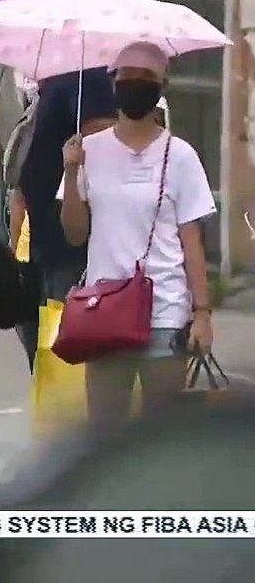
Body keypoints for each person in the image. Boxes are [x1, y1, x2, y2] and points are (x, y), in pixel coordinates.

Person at [58, 42, 215, 428]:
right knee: (104, 437)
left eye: (146, 80)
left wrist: (202, 313)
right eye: (127, 78)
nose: (135, 86)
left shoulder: (180, 155)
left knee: (164, 438)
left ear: (162, 86)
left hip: (165, 313)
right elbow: (75, 234)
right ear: (113, 83)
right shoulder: (88, 151)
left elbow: (191, 240)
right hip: (104, 311)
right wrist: (69, 172)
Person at [4, 0, 119, 372]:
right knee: (35, 343)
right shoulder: (47, 76)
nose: (32, 9)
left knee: (62, 358)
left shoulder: (90, 72)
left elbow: (103, 145)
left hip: (70, 245)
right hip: (37, 242)